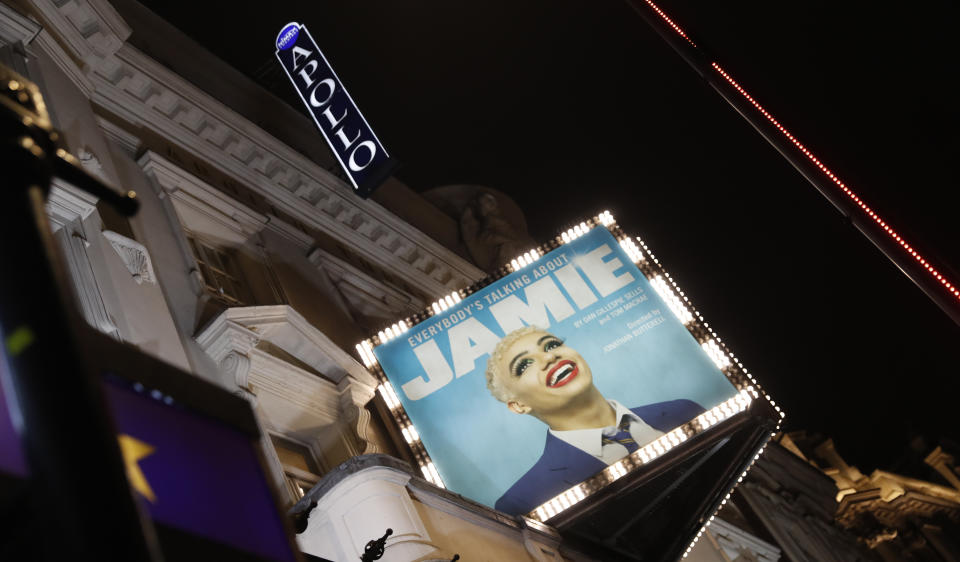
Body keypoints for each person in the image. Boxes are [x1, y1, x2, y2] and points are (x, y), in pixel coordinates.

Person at [485, 326, 704, 515]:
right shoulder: (522, 502)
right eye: (524, 365)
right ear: (519, 405)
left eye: (551, 345)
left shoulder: (684, 411)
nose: (550, 357)